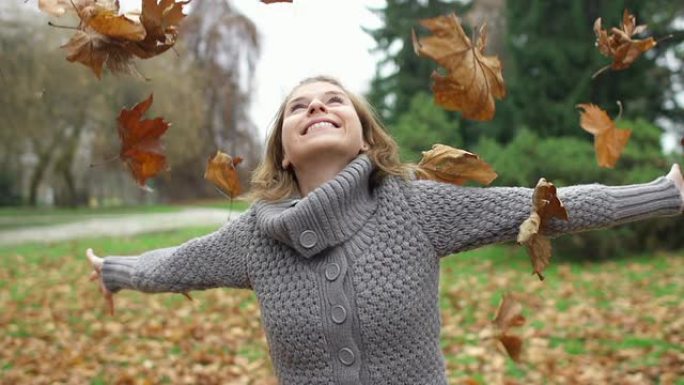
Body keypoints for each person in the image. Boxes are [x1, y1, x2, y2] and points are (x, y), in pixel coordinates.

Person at [86, 75, 684, 385]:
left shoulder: (416, 208)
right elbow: (172, 265)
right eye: (299, 106)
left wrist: (666, 193)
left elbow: (548, 206)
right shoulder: (253, 238)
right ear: (285, 152)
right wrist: (115, 271)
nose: (316, 108)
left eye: (333, 101)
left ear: (365, 137)